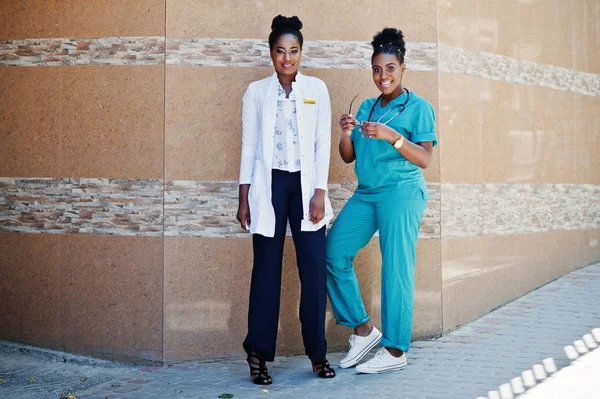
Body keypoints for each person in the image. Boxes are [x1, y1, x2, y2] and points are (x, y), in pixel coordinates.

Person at [325, 28, 437, 374]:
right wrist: (345, 133)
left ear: (403, 67)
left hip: (402, 193)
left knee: (396, 268)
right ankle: (363, 329)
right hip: (368, 193)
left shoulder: (419, 108)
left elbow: (424, 158)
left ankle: (395, 350)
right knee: (333, 251)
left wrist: (392, 136)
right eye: (376, 69)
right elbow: (348, 157)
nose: (382, 76)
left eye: (389, 68)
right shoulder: (367, 106)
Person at [236, 15, 335, 384]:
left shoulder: (317, 89)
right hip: (270, 186)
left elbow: (322, 144)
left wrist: (321, 191)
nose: (287, 58)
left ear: (301, 53)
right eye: (280, 51)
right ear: (271, 53)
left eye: (293, 51)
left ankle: (317, 353)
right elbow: (249, 146)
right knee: (266, 270)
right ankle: (257, 354)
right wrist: (244, 196)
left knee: (312, 269)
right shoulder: (256, 92)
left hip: (307, 187)